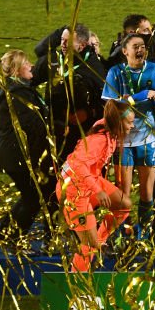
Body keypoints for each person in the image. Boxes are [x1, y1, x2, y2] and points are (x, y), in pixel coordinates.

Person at [56, 99, 134, 272]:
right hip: (73, 191)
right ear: (118, 122)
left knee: (124, 205)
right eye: (129, 122)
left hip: (90, 180)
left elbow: (111, 112)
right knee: (88, 246)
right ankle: (77, 279)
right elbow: (77, 164)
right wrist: (98, 190)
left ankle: (99, 240)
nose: (132, 126)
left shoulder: (107, 126)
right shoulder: (99, 140)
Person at [0, 49, 57, 246]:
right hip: (16, 155)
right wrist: (56, 128)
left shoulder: (17, 89)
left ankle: (5, 233)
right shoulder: (18, 94)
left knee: (31, 196)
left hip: (12, 154)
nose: (31, 66)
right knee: (34, 197)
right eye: (26, 63)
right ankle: (12, 239)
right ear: (17, 69)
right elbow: (32, 124)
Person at [101, 33, 155, 240]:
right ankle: (121, 235)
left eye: (142, 46)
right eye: (135, 46)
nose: (140, 50)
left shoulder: (154, 69)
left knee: (147, 192)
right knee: (123, 194)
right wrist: (139, 97)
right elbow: (111, 105)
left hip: (147, 139)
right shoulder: (115, 72)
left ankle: (144, 235)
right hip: (123, 142)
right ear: (125, 51)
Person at [32, 23, 106, 163]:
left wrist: (88, 113)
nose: (63, 44)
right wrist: (39, 107)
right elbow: (29, 81)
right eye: (62, 40)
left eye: (68, 41)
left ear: (82, 45)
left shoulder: (93, 66)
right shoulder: (53, 60)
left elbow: (105, 98)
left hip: (82, 129)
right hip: (54, 126)